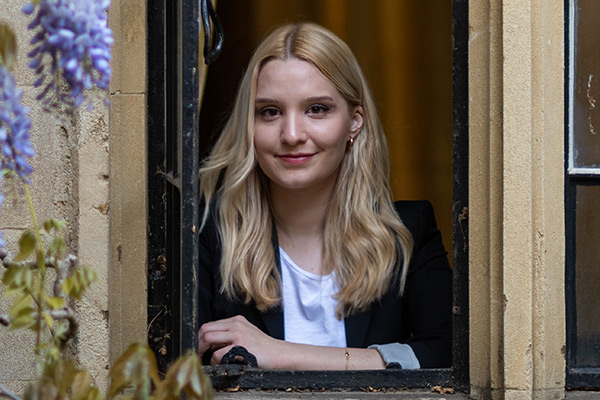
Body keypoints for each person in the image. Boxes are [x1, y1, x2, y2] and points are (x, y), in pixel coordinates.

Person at [196, 22, 452, 370]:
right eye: (269, 112)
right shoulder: (206, 233)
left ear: (354, 122)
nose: (291, 134)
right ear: (248, 125)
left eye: (316, 109)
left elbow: (447, 356)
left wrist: (281, 354)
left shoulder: (409, 233)